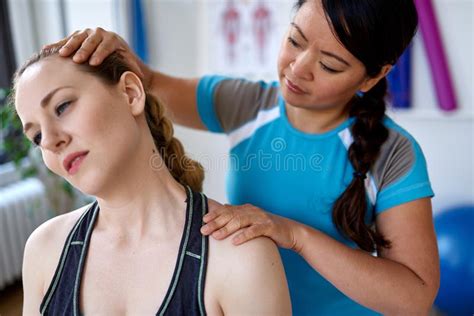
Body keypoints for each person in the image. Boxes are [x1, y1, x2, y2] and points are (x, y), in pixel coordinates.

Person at [50, 0, 440, 314]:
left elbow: (414, 296)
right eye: (295, 40)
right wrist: (115, 53)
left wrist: (296, 235)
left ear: (372, 77)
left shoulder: (394, 152)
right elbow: (145, 82)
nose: (298, 70)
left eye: (329, 65)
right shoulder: (246, 104)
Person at [13, 46, 291, 315]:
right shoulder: (45, 250)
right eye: (36, 136)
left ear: (131, 93)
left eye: (62, 107)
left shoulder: (241, 257)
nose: (49, 140)